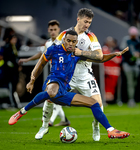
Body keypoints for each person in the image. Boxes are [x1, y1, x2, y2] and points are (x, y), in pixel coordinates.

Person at [8, 30, 130, 140]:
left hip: (64, 91)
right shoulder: (53, 49)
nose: (71, 44)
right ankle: (22, 112)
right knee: (51, 92)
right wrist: (32, 80)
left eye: (73, 41)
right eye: (68, 41)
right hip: (53, 82)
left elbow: (100, 58)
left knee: (95, 104)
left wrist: (115, 54)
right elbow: (40, 64)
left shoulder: (77, 54)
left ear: (76, 42)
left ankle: (110, 130)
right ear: (64, 40)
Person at [37, 8, 106, 141]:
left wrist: (81, 53)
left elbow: (99, 55)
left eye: (89, 22)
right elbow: (53, 51)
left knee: (98, 104)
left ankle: (96, 126)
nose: (87, 25)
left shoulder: (91, 36)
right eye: (85, 21)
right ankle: (44, 126)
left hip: (85, 75)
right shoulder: (64, 35)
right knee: (50, 98)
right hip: (67, 75)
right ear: (78, 19)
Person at [18, 20, 71, 127]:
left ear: (59, 30)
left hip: (64, 74)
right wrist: (28, 59)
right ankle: (64, 120)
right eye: (51, 30)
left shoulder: (63, 42)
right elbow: (42, 54)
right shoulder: (48, 43)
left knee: (54, 97)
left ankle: (50, 120)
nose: (53, 32)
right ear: (48, 30)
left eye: (55, 29)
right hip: (54, 74)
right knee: (54, 96)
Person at [120, 26, 140, 106]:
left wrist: (139, 55)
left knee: (135, 83)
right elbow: (122, 51)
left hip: (136, 64)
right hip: (128, 64)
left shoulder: (138, 41)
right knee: (130, 82)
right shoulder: (126, 40)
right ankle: (130, 100)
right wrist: (132, 55)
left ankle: (133, 99)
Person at [102, 36, 122, 103]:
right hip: (107, 70)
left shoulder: (115, 50)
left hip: (115, 71)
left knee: (113, 86)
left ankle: (111, 100)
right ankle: (106, 100)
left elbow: (119, 60)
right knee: (106, 86)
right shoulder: (104, 49)